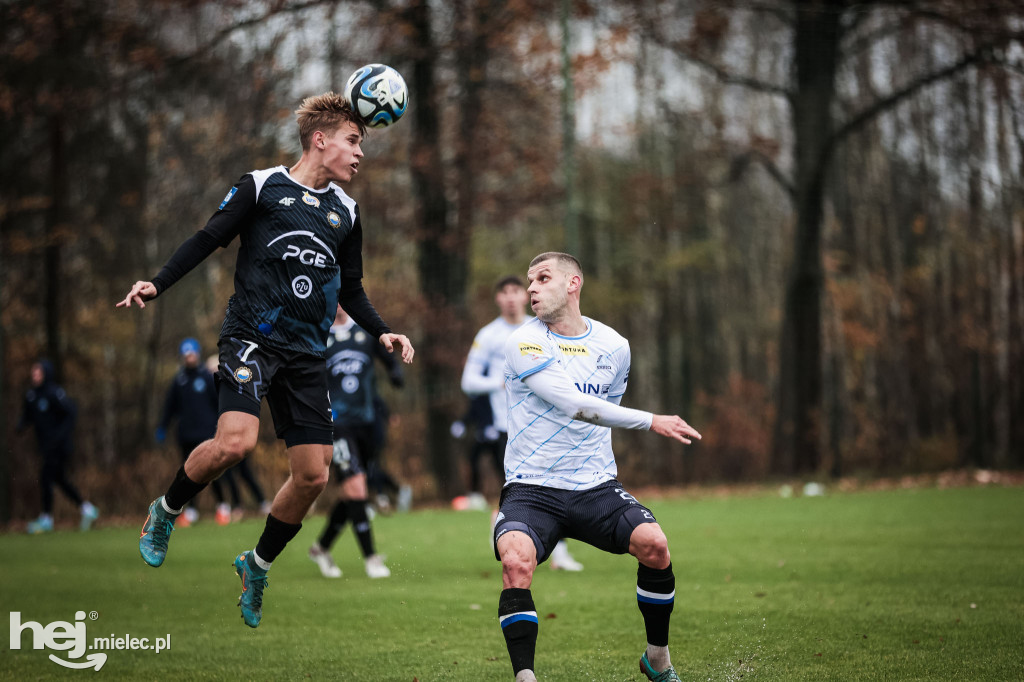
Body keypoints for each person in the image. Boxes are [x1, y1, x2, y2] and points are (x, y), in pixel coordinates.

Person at [116, 92, 414, 628]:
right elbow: (207, 239)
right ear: (319, 140)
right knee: (236, 443)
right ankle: (165, 510)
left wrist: (383, 331)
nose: (359, 153)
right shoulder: (262, 186)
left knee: (313, 476)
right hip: (251, 337)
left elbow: (353, 289)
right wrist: (157, 284)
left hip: (306, 355)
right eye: (353, 140)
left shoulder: (346, 212)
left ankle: (256, 564)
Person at [493, 253, 702, 682]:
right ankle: (525, 678)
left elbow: (608, 407)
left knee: (655, 546)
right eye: (530, 280)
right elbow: (577, 406)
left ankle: (657, 660)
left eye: (543, 278)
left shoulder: (615, 346)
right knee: (516, 563)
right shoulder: (523, 341)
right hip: (532, 488)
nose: (531, 288)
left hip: (595, 486)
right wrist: (652, 420)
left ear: (573, 283)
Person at [463, 275, 583, 571]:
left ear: (525, 295)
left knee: (556, 480)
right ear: (498, 299)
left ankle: (560, 553)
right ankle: (507, 529)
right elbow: (468, 381)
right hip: (508, 426)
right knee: (520, 487)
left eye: (516, 291)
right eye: (504, 292)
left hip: (545, 422)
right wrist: (499, 381)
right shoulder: (488, 335)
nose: (511, 297)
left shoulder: (542, 328)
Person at [307, 304, 403, 579]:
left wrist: (395, 371)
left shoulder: (364, 331)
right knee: (357, 488)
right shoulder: (317, 335)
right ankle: (371, 559)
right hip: (336, 423)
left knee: (353, 493)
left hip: (367, 422)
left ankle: (321, 548)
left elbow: (386, 356)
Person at [156, 337, 236, 526]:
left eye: (192, 354)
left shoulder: (207, 377)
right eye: (186, 354)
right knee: (189, 473)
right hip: (186, 435)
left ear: (197, 354)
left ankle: (223, 507)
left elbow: (219, 403)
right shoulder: (179, 380)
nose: (189, 357)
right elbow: (170, 407)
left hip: (207, 433)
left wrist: (224, 424)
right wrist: (162, 427)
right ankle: (191, 510)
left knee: (212, 471)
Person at [17, 360, 99, 533]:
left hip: (59, 446)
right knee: (59, 479)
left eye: (38, 372)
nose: (35, 375)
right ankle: (87, 509)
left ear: (46, 374)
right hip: (45, 446)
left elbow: (71, 413)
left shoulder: (54, 393)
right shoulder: (31, 395)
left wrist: (59, 437)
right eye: (34, 372)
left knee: (46, 477)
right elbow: (28, 415)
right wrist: (20, 425)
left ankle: (46, 518)